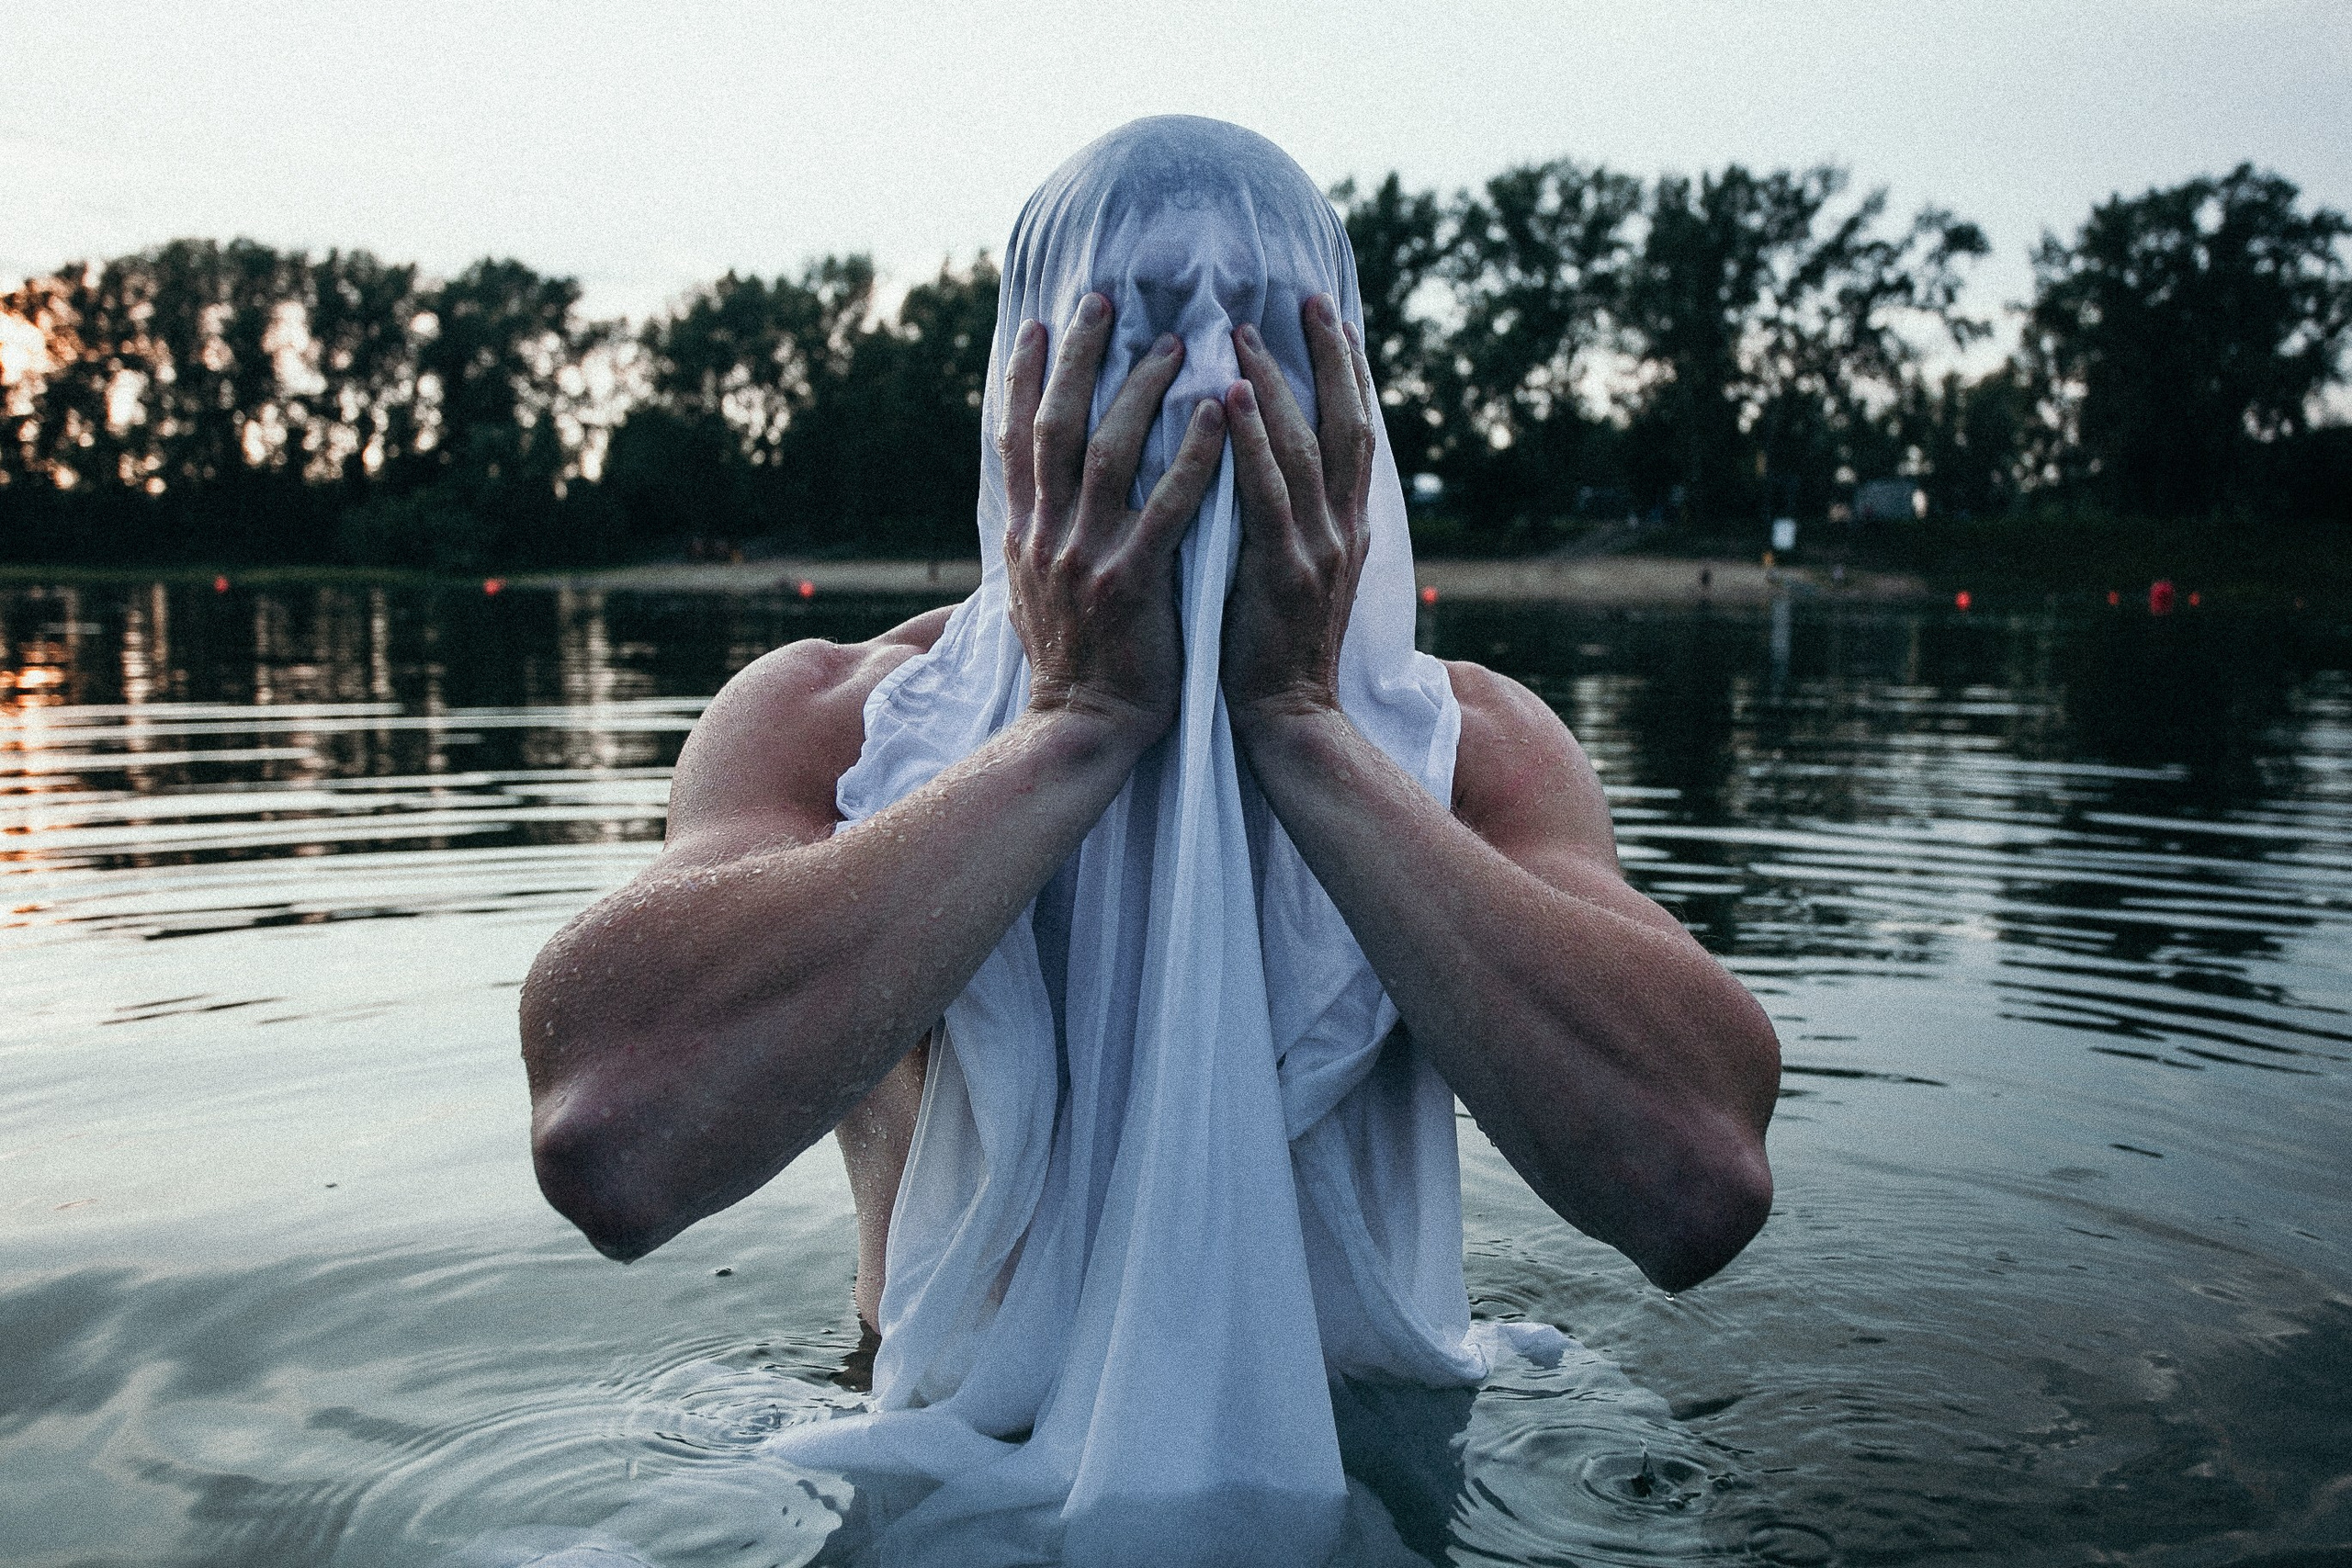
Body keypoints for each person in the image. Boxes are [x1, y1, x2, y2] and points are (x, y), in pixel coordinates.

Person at [518, 118, 1778, 1565]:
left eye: (1258, 359)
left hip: (1373, 1467)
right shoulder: (834, 726)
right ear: (1026, 405)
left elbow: (1699, 1184)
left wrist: (1303, 729)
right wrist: (1075, 723)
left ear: (1341, 413)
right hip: (932, 1456)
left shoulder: (1467, 751)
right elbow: (613, 1143)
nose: (1200, 400)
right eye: (1136, 355)